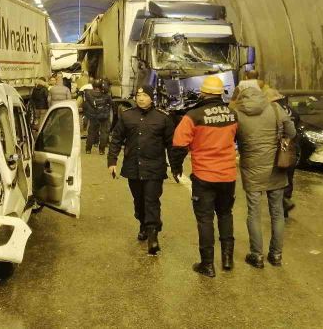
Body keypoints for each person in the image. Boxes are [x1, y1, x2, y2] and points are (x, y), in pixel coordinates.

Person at [172, 76, 238, 278]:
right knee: (225, 215)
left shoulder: (193, 116)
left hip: (204, 176)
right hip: (228, 175)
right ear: (220, 93)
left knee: (205, 219)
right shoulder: (232, 114)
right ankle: (227, 260)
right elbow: (237, 139)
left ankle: (207, 265)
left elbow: (179, 146)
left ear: (203, 93)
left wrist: (176, 169)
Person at [108, 86, 182, 255]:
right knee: (139, 201)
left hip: (154, 168)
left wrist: (176, 167)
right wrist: (112, 161)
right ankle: (143, 223)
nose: (141, 98)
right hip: (133, 167)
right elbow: (116, 139)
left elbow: (172, 145)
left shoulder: (163, 118)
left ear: (151, 98)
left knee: (151, 201)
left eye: (145, 95)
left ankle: (153, 235)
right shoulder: (127, 116)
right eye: (138, 95)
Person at [234, 87, 296, 268]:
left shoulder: (237, 113)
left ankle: (257, 255)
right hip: (275, 166)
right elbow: (291, 133)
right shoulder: (276, 109)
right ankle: (276, 255)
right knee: (277, 213)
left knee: (253, 212)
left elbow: (232, 137)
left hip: (251, 166)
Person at [264, 88, 300, 218]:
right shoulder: (291, 110)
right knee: (288, 175)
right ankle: (286, 201)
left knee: (275, 177)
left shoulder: (272, 109)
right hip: (289, 146)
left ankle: (282, 204)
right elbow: (294, 130)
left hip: (277, 145)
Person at [83, 79, 113, 155]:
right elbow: (111, 103)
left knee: (91, 133)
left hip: (93, 116)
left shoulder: (88, 94)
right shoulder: (106, 95)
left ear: (93, 86)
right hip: (104, 116)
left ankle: (88, 149)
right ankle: (101, 150)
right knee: (104, 133)